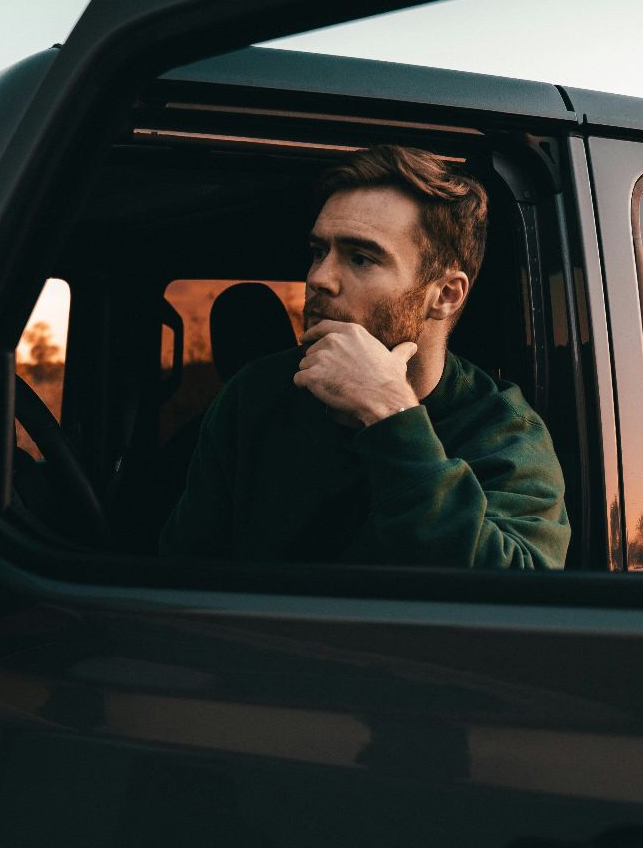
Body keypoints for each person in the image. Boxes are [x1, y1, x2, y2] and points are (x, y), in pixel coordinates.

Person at [160, 144, 570, 568]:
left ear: (445, 295)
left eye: (360, 257)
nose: (319, 278)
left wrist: (392, 416)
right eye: (319, 251)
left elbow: (515, 604)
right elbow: (185, 576)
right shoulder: (254, 397)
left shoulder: (503, 432)